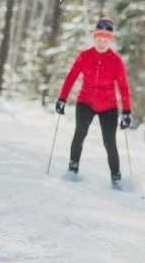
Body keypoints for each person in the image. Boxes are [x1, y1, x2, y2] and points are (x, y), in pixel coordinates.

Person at [55, 17, 134, 188]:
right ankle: (72, 169)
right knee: (79, 135)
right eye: (99, 39)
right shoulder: (85, 56)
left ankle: (116, 177)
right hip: (86, 101)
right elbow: (71, 78)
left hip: (108, 106)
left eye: (105, 39)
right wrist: (62, 99)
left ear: (110, 40)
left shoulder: (116, 60)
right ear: (94, 38)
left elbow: (124, 87)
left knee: (109, 142)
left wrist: (127, 111)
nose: (101, 43)